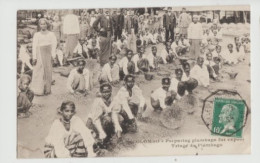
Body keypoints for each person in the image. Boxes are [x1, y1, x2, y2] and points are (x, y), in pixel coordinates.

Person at [31, 18, 57, 96]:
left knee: (48, 71)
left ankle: (47, 90)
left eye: (44, 24)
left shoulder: (51, 34)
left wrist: (53, 55)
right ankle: (38, 90)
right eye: (41, 24)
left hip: (48, 53)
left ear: (47, 24)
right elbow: (34, 46)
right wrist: (34, 57)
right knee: (38, 71)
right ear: (39, 25)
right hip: (39, 53)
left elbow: (54, 45)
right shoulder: (37, 34)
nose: (43, 25)